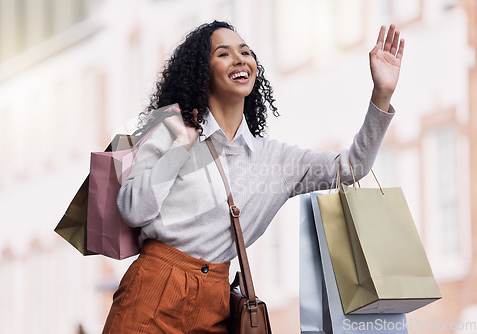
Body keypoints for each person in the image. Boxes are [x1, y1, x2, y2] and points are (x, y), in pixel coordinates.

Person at [102, 20, 404, 333]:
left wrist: (381, 94)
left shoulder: (274, 161)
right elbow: (133, 210)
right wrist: (181, 146)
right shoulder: (170, 131)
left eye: (245, 52)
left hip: (216, 302)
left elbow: (353, 166)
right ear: (202, 72)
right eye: (223, 54)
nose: (240, 59)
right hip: (155, 289)